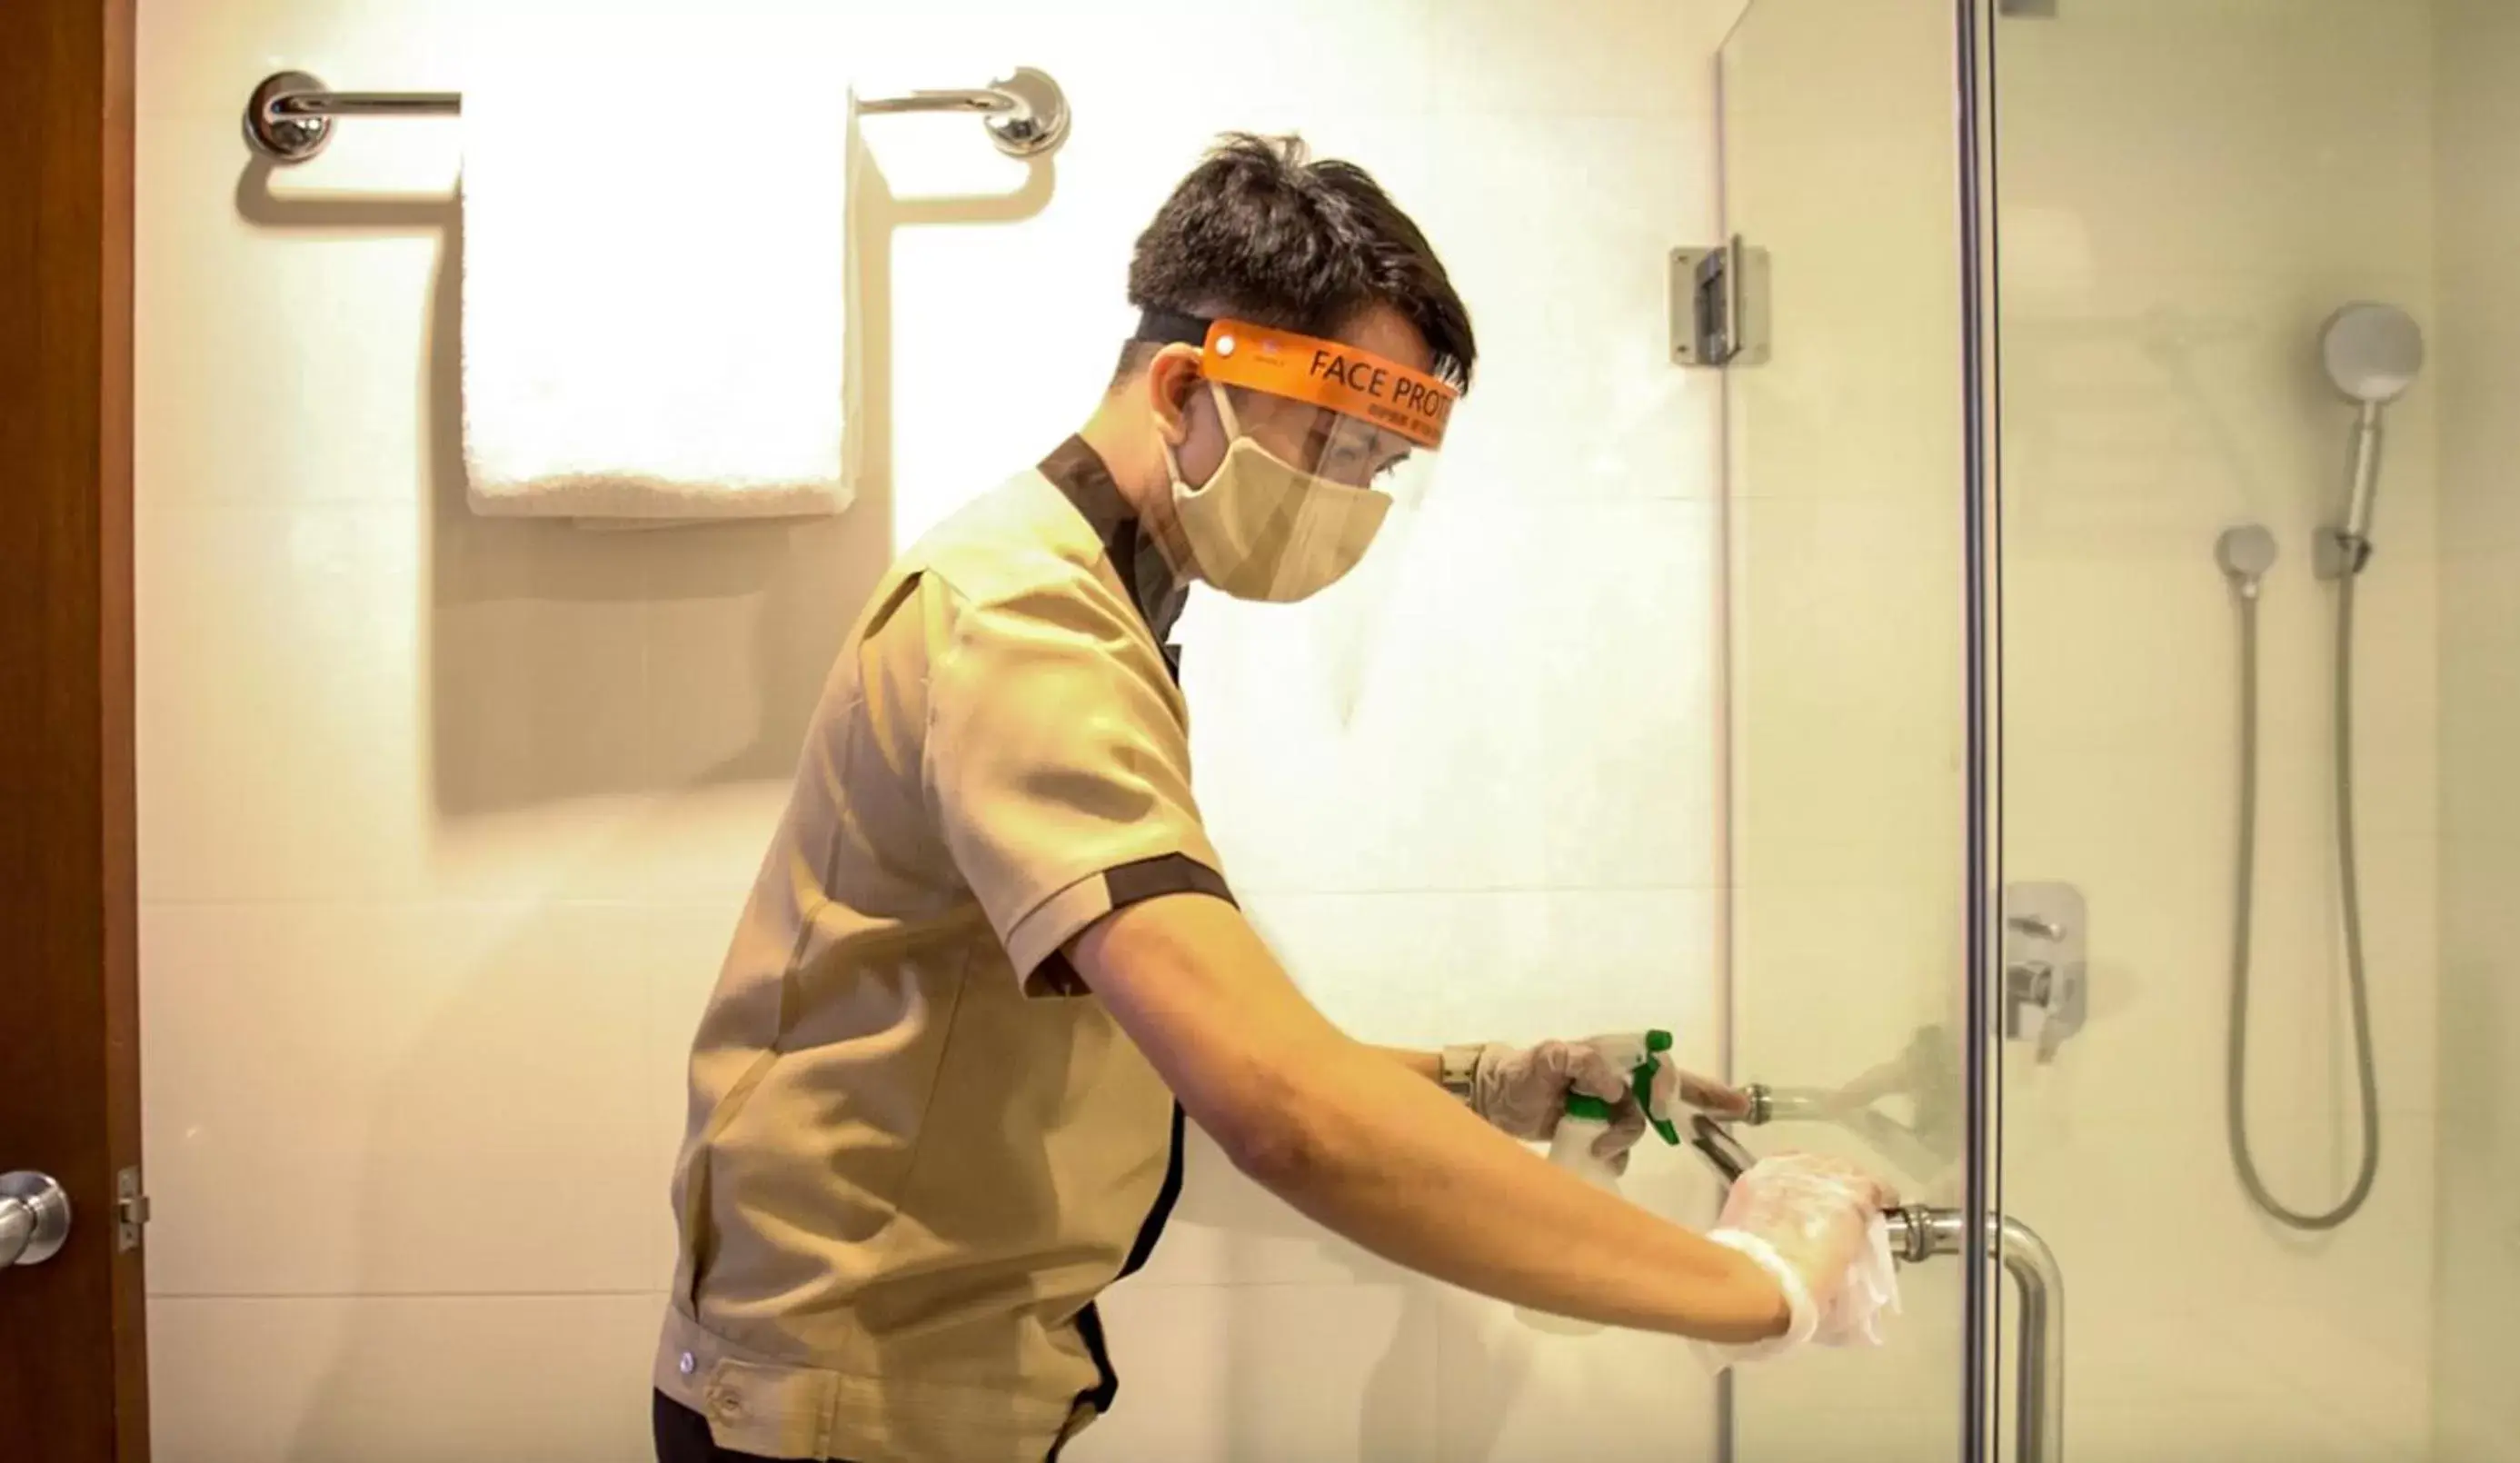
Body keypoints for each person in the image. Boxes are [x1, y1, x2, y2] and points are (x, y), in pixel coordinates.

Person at [652, 134, 1897, 1463]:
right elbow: (1279, 1110)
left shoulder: (1086, 594)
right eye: (1335, 443)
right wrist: (1759, 1286)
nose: (1350, 500)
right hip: (846, 1412)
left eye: (1378, 468)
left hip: (884, 1387)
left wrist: (1491, 1080)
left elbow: (1153, 1038)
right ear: (1185, 386)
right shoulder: (1024, 620)